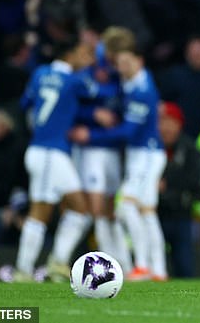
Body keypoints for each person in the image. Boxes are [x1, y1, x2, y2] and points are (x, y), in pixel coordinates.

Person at [69, 29, 167, 282]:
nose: (121, 68)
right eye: (119, 63)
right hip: (142, 154)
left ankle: (142, 265)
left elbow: (127, 131)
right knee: (147, 212)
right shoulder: (131, 82)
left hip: (146, 153)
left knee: (125, 206)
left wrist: (91, 136)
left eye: (126, 63)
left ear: (139, 60)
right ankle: (159, 270)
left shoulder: (142, 91)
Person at [14, 36, 99, 282]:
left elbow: (25, 103)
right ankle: (23, 270)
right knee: (40, 210)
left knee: (80, 209)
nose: (88, 60)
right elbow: (95, 93)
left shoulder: (39, 73)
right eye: (84, 54)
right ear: (70, 55)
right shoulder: (74, 80)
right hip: (49, 152)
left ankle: (58, 262)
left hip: (45, 148)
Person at [72, 29, 132, 273]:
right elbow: (70, 108)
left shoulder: (120, 81)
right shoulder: (81, 79)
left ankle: (124, 264)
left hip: (112, 150)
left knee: (110, 209)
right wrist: (92, 115)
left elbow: (124, 111)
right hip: (91, 151)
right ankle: (109, 264)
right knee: (95, 207)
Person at [157, 102, 200, 278]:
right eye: (162, 122)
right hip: (155, 214)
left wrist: (167, 186)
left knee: (184, 265)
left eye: (170, 122)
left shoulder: (189, 148)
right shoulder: (149, 149)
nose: (166, 128)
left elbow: (194, 182)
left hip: (181, 214)